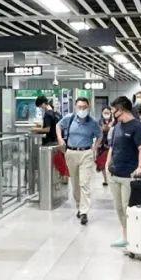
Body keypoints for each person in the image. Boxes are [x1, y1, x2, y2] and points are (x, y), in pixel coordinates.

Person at [105, 96, 141, 249]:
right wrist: (107, 164)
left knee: (128, 208)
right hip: (115, 173)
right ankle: (125, 236)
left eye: (113, 110)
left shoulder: (138, 127)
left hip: (129, 176)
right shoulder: (117, 126)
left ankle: (134, 239)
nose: (112, 113)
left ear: (121, 109)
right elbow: (112, 147)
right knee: (119, 208)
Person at [56, 96, 100, 225]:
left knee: (84, 183)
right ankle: (79, 206)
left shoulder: (93, 122)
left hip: (86, 153)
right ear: (75, 107)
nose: (82, 109)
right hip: (71, 153)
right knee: (75, 183)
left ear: (88, 107)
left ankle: (84, 212)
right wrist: (60, 139)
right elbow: (58, 126)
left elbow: (100, 136)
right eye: (80, 107)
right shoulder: (69, 118)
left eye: (84, 107)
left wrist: (95, 148)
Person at [98, 105, 113, 186]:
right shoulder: (100, 121)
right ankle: (105, 179)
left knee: (111, 161)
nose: (106, 114)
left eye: (108, 112)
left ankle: (110, 177)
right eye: (105, 112)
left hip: (112, 144)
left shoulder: (114, 121)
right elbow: (99, 131)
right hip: (102, 145)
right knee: (102, 162)